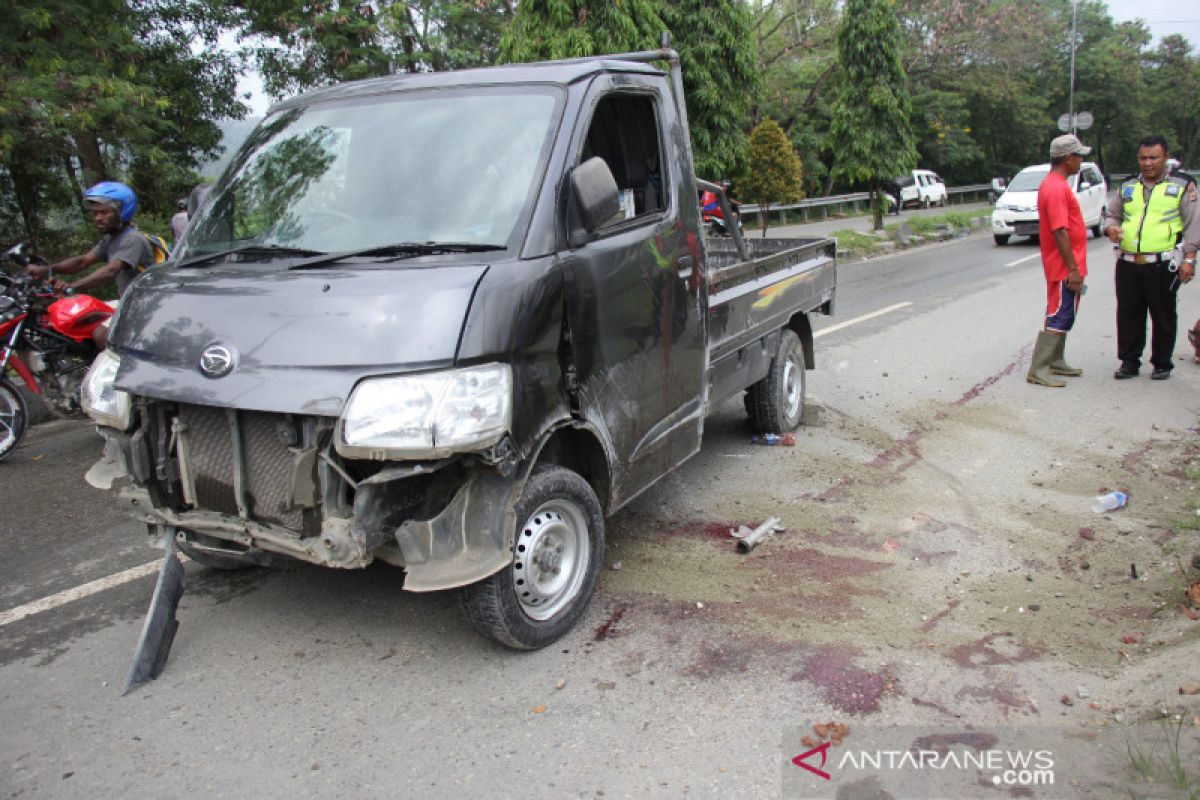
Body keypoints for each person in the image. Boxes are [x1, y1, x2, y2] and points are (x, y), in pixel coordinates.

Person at [1104, 136, 1200, 380]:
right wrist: (1110, 228)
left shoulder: (1182, 185)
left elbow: (1193, 225)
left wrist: (1189, 260)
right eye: (1143, 158)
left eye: (1153, 158)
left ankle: (1162, 362)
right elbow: (1112, 214)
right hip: (1128, 262)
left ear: (1165, 157)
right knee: (1128, 313)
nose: (1147, 163)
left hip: (1162, 263)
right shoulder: (1127, 186)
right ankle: (1129, 361)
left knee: (1163, 315)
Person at [27, 181, 153, 349]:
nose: (98, 218)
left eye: (103, 212)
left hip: (145, 308)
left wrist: (71, 288)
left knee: (102, 336)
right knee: (75, 324)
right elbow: (83, 261)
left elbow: (111, 270)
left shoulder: (133, 239)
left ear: (122, 211)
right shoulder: (111, 238)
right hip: (128, 304)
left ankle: (116, 372)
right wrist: (47, 270)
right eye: (95, 213)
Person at [1026, 134, 1091, 387]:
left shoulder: (1058, 184)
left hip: (1067, 264)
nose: (1081, 162)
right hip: (1064, 266)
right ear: (1068, 158)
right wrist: (1073, 268)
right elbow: (1059, 230)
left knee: (1064, 312)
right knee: (1059, 313)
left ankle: (1055, 359)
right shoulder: (1054, 187)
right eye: (1079, 157)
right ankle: (1039, 368)